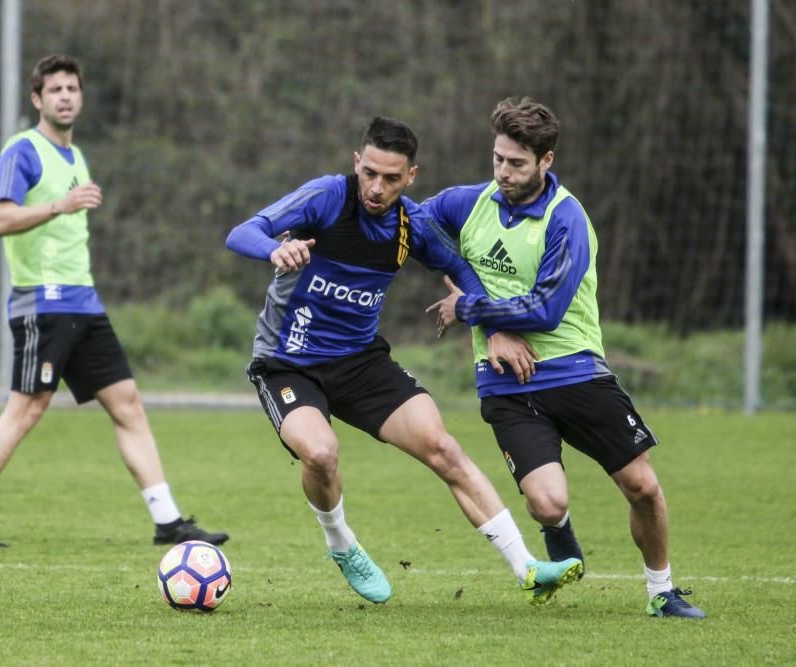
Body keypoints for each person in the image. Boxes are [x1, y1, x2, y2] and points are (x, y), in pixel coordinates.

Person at [225, 116, 582, 605]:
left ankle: (527, 567)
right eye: (370, 173)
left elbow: (457, 266)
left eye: (391, 178)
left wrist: (495, 329)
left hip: (361, 363)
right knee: (322, 453)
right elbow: (243, 231)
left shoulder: (411, 224)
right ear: (357, 163)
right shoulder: (328, 196)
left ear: (411, 176)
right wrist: (275, 251)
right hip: (288, 362)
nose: (376, 187)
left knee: (443, 447)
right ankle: (342, 543)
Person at [424, 97, 705, 619]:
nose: (503, 173)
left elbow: (547, 310)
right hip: (505, 380)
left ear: (546, 161)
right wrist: (488, 324)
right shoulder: (467, 203)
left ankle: (661, 592)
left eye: (516, 163)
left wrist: (470, 307)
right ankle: (559, 533)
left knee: (642, 486)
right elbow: (414, 229)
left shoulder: (566, 219)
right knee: (548, 504)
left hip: (574, 370)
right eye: (497, 159)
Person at [0, 55, 227, 549]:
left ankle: (168, 521)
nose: (66, 96)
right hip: (43, 304)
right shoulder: (22, 151)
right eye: (55, 90)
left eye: (72, 88)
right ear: (38, 99)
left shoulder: (77, 157)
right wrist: (58, 205)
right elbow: (1, 219)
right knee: (26, 410)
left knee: (128, 405)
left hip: (84, 304)